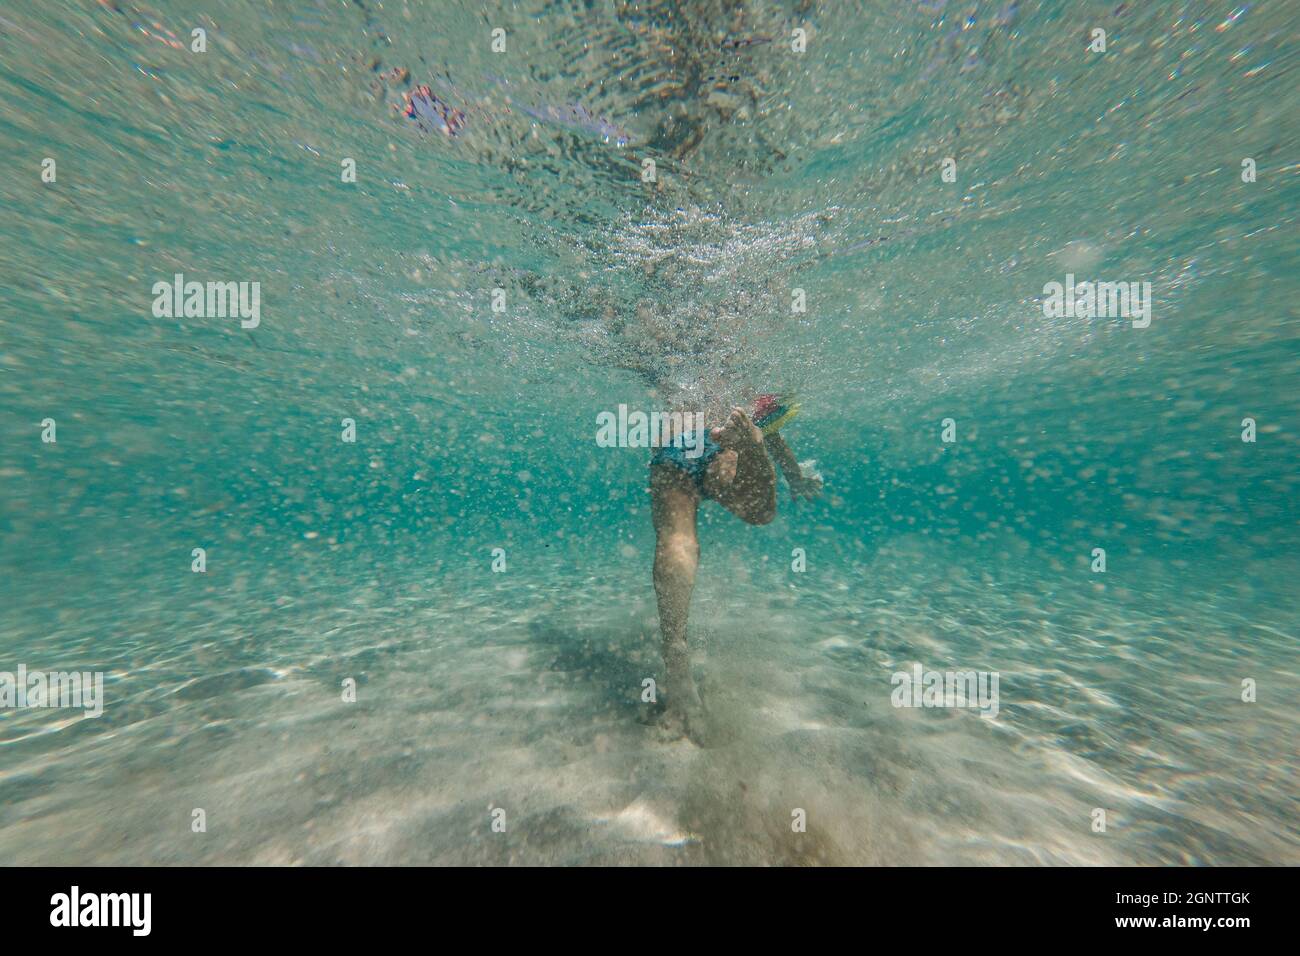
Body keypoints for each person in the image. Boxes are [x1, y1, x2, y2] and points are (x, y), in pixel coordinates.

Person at [648, 394, 821, 741]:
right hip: (729, 452)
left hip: (675, 453)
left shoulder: (679, 397)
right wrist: (795, 476)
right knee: (759, 513)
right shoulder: (743, 401)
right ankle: (749, 448)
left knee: (677, 538)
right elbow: (773, 435)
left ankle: (676, 657)